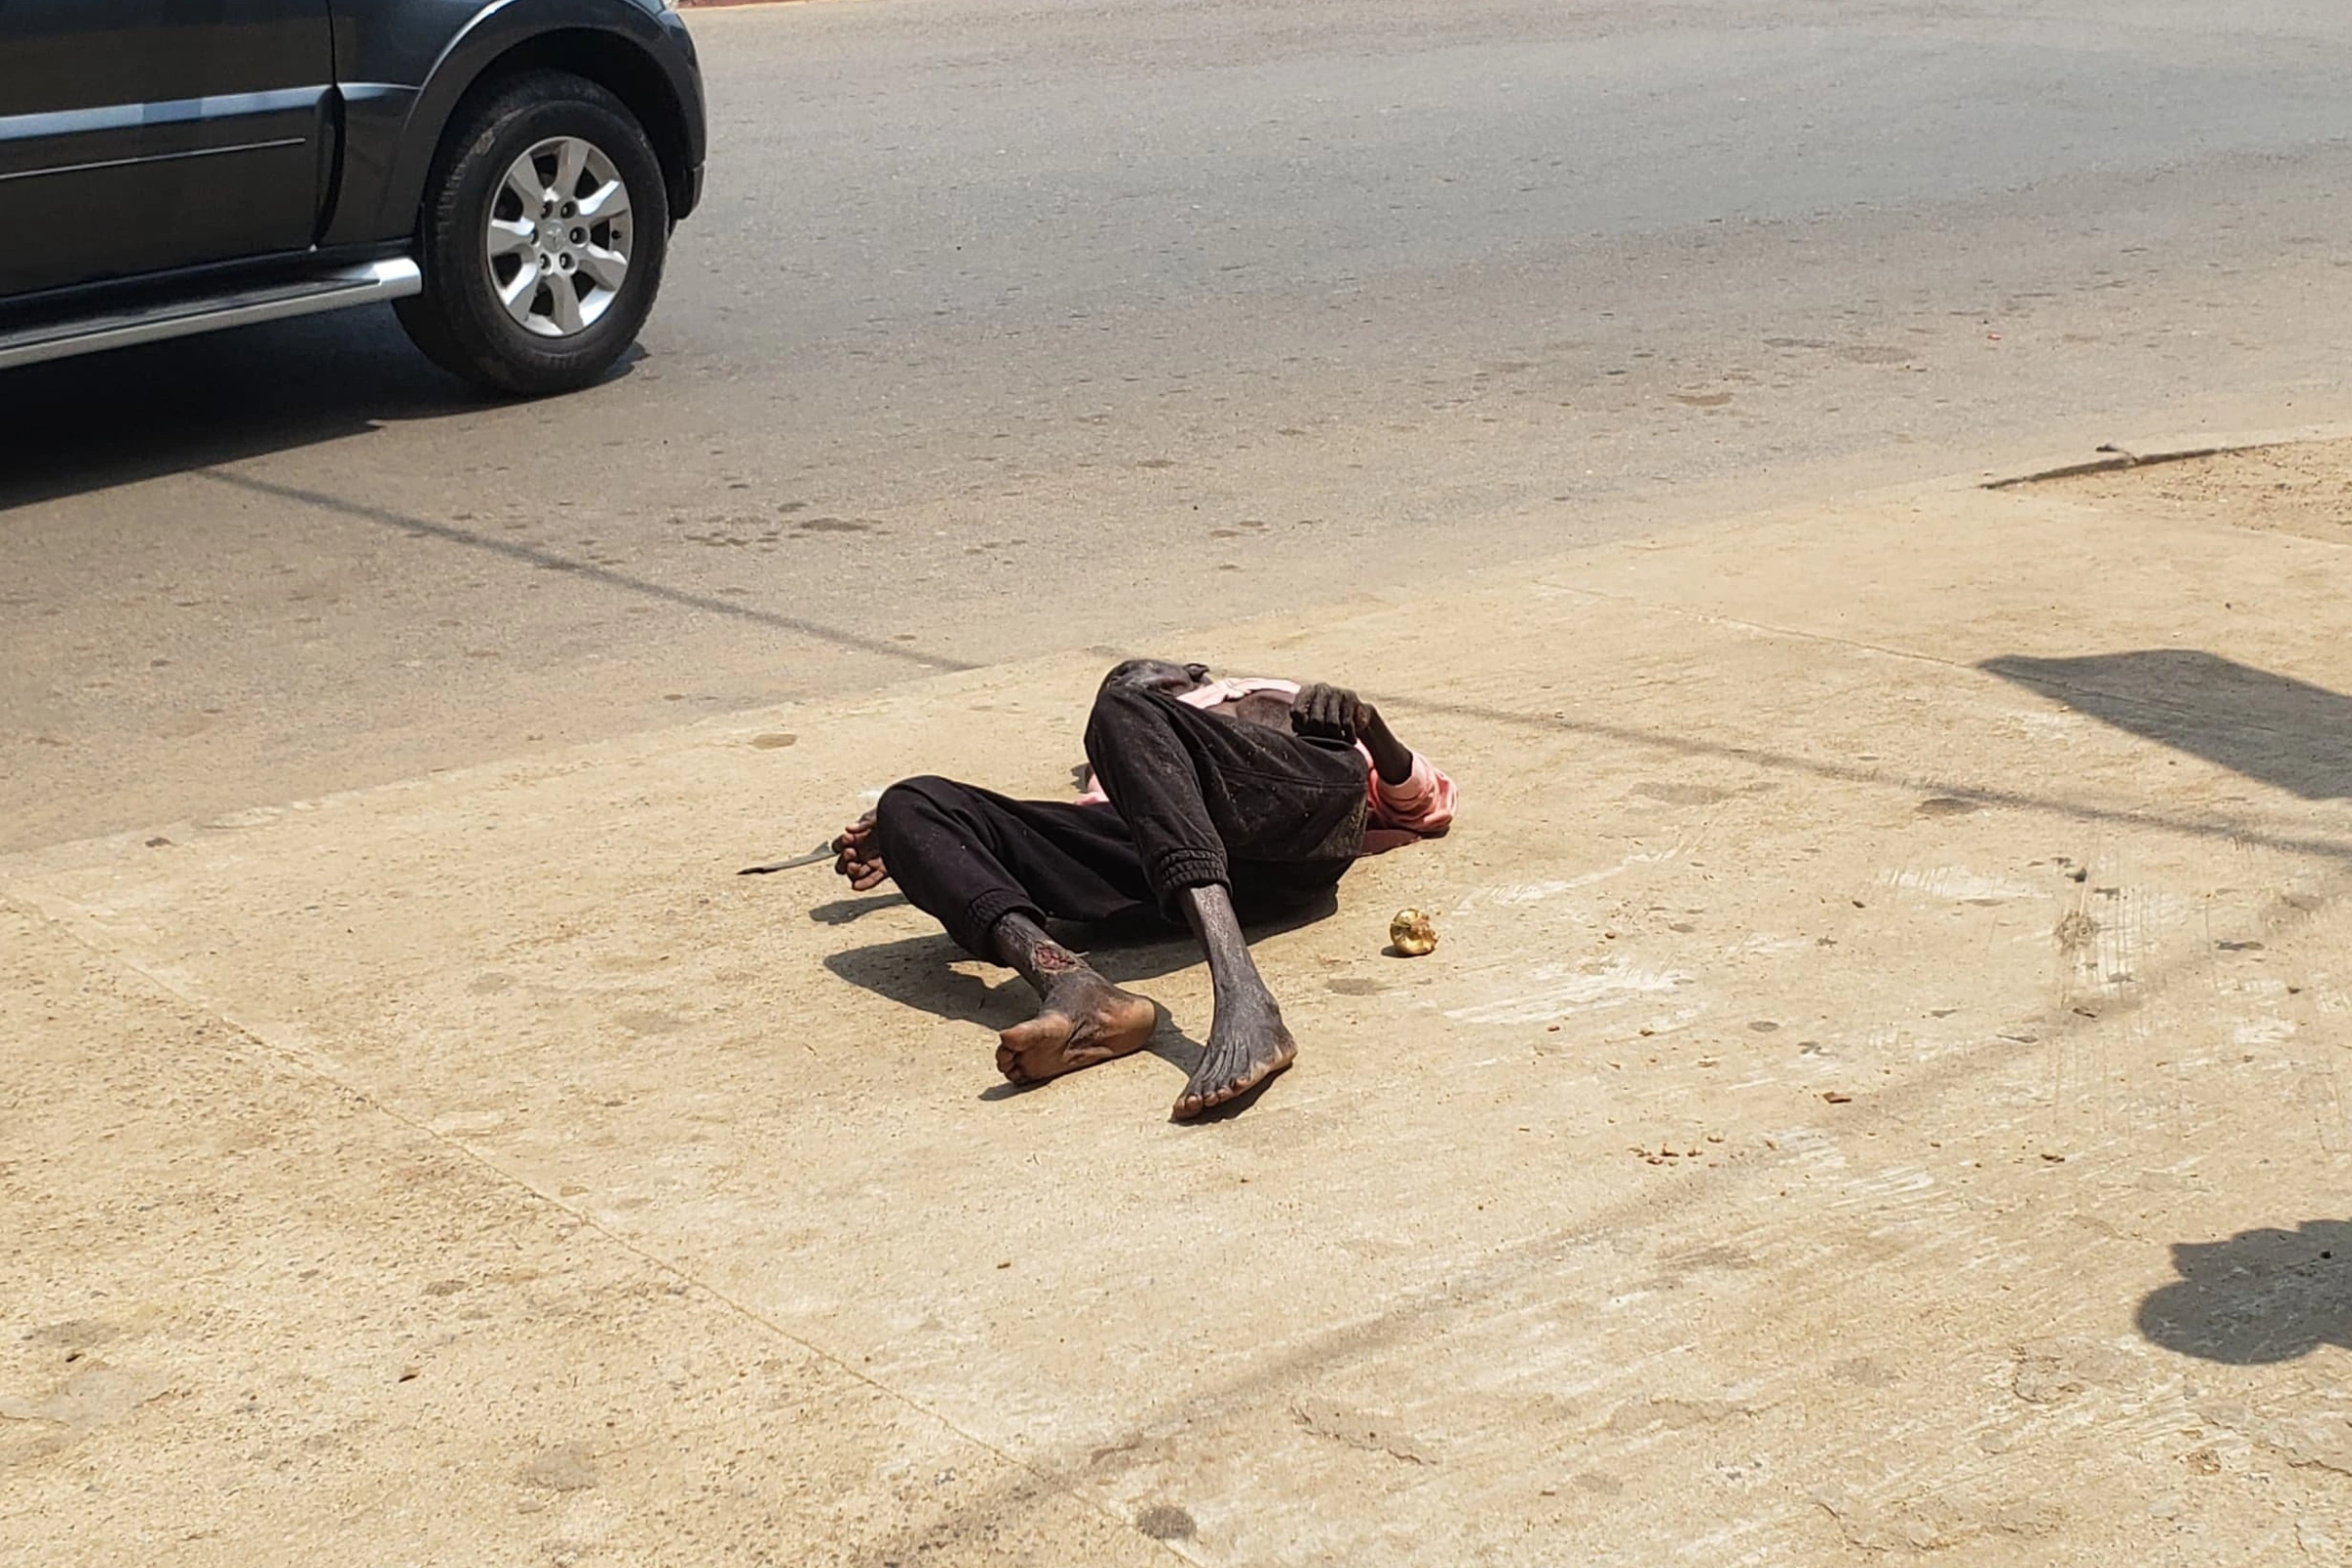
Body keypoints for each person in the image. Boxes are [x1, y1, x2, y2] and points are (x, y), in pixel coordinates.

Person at [832, 659, 1455, 1119]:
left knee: (1122, 711)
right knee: (910, 802)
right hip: (1153, 865)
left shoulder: (1273, 702)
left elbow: (1426, 807)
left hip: (1292, 824)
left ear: (1189, 673)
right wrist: (929, 849)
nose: (1122, 679)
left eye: (1136, 670)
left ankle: (1243, 996)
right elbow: (1090, 819)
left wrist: (1368, 725)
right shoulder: (1117, 757)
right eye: (1119, 677)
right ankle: (1073, 986)